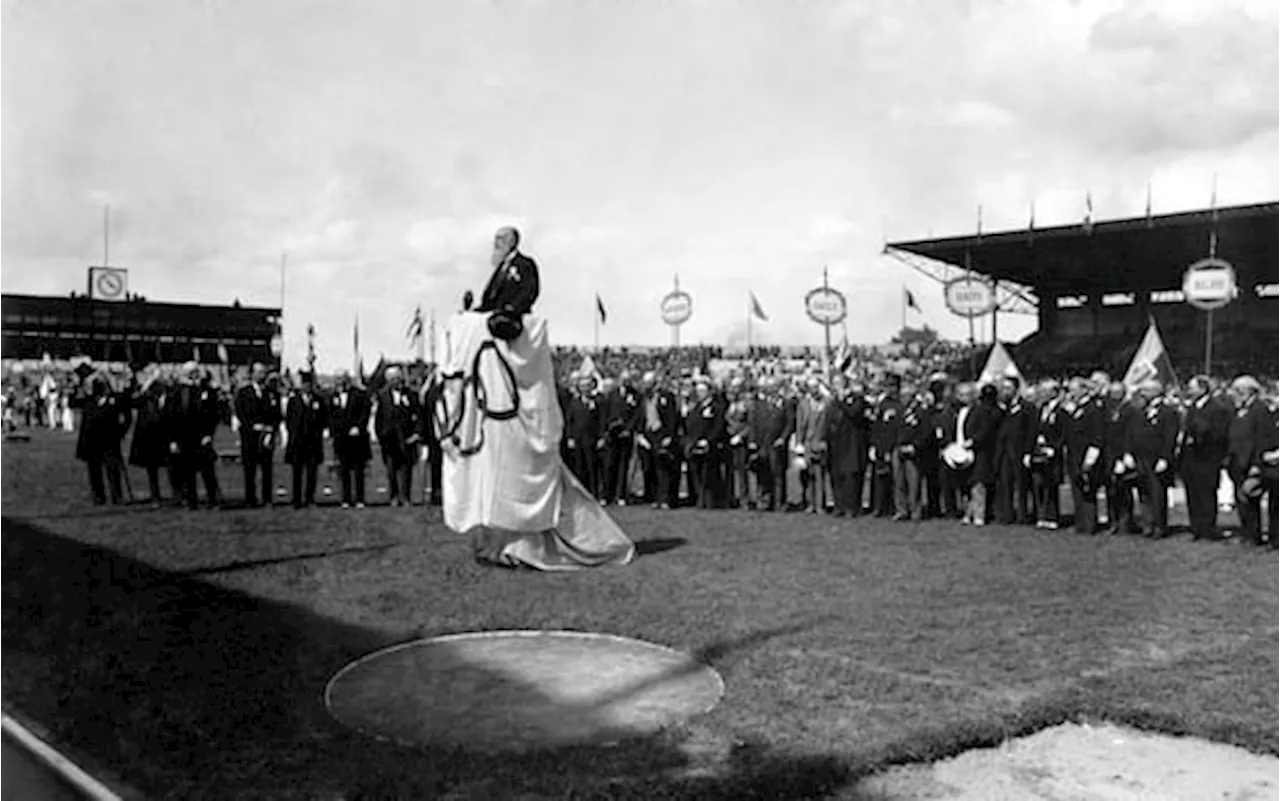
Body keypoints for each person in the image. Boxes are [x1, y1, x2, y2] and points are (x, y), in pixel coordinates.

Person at [235, 362, 281, 507]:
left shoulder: (272, 393)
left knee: (267, 469)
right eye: (259, 372)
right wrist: (252, 426)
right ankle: (250, 499)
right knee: (250, 469)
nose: (262, 375)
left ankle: (267, 498)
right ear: (252, 374)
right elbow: (241, 414)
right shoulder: (244, 393)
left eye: (264, 372)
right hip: (250, 436)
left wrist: (270, 429)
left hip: (266, 436)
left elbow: (276, 415)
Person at [375, 366, 421, 506]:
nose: (399, 381)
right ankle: (393, 497)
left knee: (406, 471)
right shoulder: (383, 397)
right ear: (389, 381)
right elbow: (379, 419)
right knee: (391, 471)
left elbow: (419, 416)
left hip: (407, 440)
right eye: (395, 379)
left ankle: (405, 497)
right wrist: (381, 436)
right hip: (389, 442)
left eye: (400, 377)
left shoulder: (412, 395)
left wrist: (416, 434)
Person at [330, 370, 372, 508]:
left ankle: (360, 498)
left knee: (358, 470)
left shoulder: (359, 394)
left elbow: (365, 412)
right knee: (344, 470)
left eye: (341, 379)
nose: (339, 382)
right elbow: (331, 416)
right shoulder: (333, 396)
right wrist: (335, 432)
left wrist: (358, 427)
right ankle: (346, 499)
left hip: (357, 439)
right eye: (337, 379)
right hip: (341, 439)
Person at [285, 372, 328, 508]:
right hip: (297, 442)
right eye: (304, 384)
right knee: (297, 472)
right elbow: (289, 421)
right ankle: (296, 499)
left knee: (312, 472)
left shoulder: (319, 400)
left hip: (313, 442)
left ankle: (310, 498)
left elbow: (323, 420)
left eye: (309, 384)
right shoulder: (293, 401)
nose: (307, 387)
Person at [476, 226, 540, 317]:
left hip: (512, 320)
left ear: (511, 241)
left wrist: (513, 308)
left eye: (500, 238)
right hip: (492, 318)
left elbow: (529, 290)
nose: (496, 243)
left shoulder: (525, 264)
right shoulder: (501, 267)